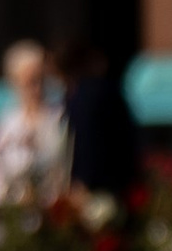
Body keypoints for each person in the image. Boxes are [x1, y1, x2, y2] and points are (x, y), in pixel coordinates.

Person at [0, 41, 68, 205]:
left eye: (41, 79)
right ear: (15, 82)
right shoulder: (4, 125)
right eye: (30, 81)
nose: (37, 88)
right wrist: (11, 199)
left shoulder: (60, 117)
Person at [56, 40, 139, 200]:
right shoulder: (107, 92)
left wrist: (83, 181)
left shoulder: (87, 97)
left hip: (96, 188)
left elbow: (86, 141)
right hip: (117, 183)